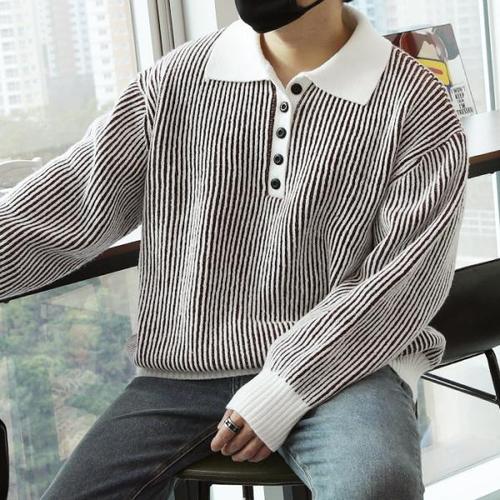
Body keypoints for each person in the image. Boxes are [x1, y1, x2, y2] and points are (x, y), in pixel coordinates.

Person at [0, 0, 468, 498]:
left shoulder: (416, 104)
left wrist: (282, 388)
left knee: (377, 485)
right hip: (183, 366)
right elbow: (70, 202)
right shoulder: (175, 80)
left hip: (347, 365)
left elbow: (403, 282)